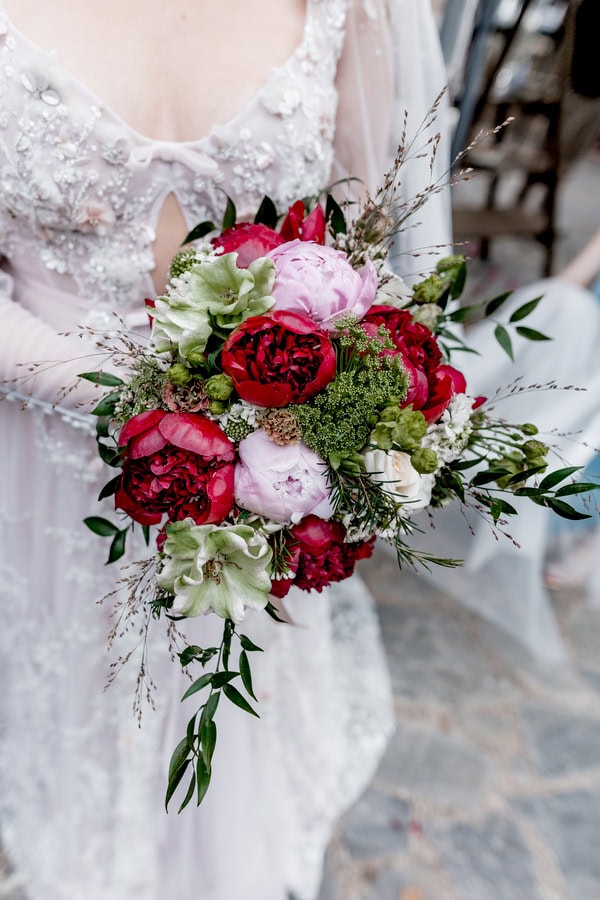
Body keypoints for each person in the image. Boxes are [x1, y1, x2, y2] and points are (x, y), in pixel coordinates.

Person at [0, 2, 450, 898]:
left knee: (225, 763)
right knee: (71, 737)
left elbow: (367, 256)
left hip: (260, 484)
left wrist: (321, 411)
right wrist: (137, 398)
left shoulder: (345, 8)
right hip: (50, 476)